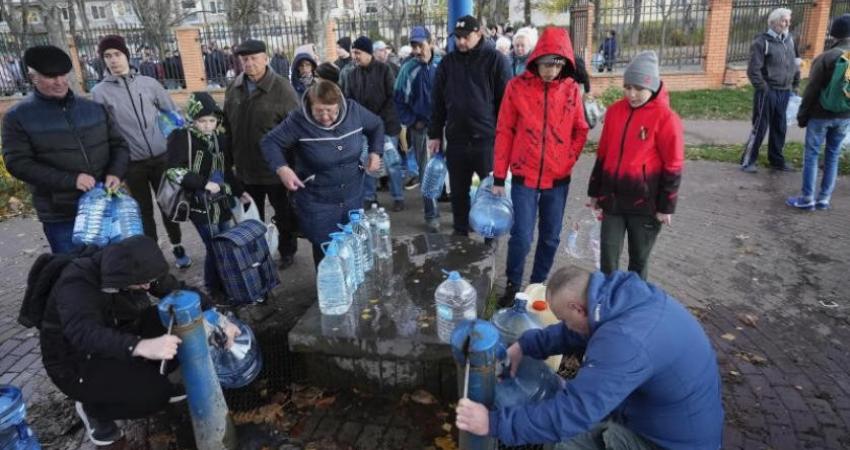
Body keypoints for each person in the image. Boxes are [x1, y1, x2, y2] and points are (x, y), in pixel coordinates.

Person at [455, 266, 724, 449]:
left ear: (578, 307)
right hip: (670, 415)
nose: (564, 325)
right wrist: (524, 346)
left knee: (569, 441)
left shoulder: (624, 342)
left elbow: (572, 414)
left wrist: (492, 423)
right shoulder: (622, 299)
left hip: (669, 442)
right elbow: (575, 332)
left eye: (564, 318)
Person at [39, 235, 239, 446]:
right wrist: (141, 346)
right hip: (75, 362)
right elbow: (84, 334)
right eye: (143, 284)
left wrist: (217, 317)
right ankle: (94, 409)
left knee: (175, 321)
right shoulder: (76, 283)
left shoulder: (135, 269)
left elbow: (176, 290)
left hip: (115, 332)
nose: (147, 288)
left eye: (149, 283)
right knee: (155, 395)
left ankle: (137, 376)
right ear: (120, 278)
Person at [493, 28, 589, 306]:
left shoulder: (571, 90)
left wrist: (567, 160)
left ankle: (536, 287)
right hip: (524, 176)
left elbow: (580, 130)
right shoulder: (516, 87)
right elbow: (504, 131)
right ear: (536, 59)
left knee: (550, 238)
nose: (550, 70)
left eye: (557, 64)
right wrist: (500, 175)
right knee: (521, 236)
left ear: (565, 63)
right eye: (546, 63)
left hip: (557, 180)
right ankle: (512, 285)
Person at [2, 45, 128, 254]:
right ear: (33, 77)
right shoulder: (17, 117)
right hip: (61, 213)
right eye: (51, 77)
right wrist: (71, 180)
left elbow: (119, 145)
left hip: (105, 205)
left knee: (118, 267)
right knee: (75, 275)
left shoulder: (93, 109)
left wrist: (116, 172)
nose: (60, 82)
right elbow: (17, 163)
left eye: (62, 75)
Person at [91, 35, 192, 269]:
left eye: (117, 54)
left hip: (161, 158)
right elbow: (103, 133)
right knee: (143, 211)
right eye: (108, 56)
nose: (113, 60)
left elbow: (172, 113)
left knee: (168, 204)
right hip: (131, 163)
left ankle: (177, 245)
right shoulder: (100, 92)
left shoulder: (149, 84)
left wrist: (179, 144)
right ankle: (153, 254)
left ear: (126, 55)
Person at [260, 80, 384, 265]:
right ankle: (328, 290)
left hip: (353, 197)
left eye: (331, 111)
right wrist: (282, 168)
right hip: (319, 202)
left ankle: (354, 287)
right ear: (310, 105)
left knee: (356, 242)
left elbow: (376, 125)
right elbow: (270, 142)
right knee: (327, 250)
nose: (326, 117)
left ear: (340, 105)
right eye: (319, 111)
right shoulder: (298, 120)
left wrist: (375, 152)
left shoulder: (354, 111)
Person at [587, 51, 683, 280]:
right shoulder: (614, 112)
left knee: (638, 261)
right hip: (613, 201)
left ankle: (634, 305)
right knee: (608, 259)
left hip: (645, 205)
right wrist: (594, 193)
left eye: (639, 88)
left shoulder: (666, 118)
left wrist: (666, 206)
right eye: (628, 87)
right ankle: (608, 303)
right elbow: (603, 154)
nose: (632, 94)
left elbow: (674, 164)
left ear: (653, 86)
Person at [428, 15, 512, 236]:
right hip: (456, 141)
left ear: (479, 34)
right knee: (458, 193)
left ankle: (489, 238)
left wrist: (505, 140)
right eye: (457, 37)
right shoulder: (448, 63)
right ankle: (460, 236)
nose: (461, 42)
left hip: (486, 141)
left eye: (466, 37)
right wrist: (435, 134)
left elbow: (506, 105)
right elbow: (437, 102)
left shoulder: (496, 61)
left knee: (490, 193)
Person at [224, 39, 301, 269]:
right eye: (244, 59)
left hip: (275, 169)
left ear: (265, 59)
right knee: (251, 217)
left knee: (283, 213)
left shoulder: (282, 88)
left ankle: (287, 251)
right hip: (245, 169)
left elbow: (296, 129)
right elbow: (227, 126)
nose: (249, 64)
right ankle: (258, 253)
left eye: (254, 58)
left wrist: (292, 167)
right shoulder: (234, 87)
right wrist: (229, 163)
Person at [166, 92, 250, 298]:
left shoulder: (220, 138)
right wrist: (203, 183)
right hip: (198, 202)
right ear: (193, 119)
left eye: (212, 120)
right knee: (213, 246)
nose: (207, 125)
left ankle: (223, 283)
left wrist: (240, 192)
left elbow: (227, 170)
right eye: (202, 121)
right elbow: (173, 170)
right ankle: (213, 288)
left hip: (222, 201)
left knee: (224, 242)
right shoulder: (181, 137)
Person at [787, 14, 850, 211]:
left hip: (820, 115)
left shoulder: (825, 57)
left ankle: (807, 198)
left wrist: (802, 116)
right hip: (844, 116)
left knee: (812, 155)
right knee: (833, 154)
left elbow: (812, 89)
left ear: (834, 34)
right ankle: (824, 198)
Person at [344, 35, 406, 211]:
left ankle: (398, 196)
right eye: (353, 52)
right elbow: (350, 100)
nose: (355, 56)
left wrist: (377, 120)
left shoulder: (384, 70)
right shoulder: (352, 74)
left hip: (386, 125)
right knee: (367, 161)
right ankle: (370, 197)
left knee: (392, 161)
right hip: (364, 128)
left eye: (358, 52)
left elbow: (391, 97)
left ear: (368, 53)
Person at [395, 26, 443, 232]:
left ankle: (459, 210)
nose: (417, 50)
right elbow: (398, 99)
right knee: (427, 172)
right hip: (422, 129)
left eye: (420, 45)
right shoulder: (408, 69)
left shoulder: (443, 64)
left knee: (455, 170)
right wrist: (413, 121)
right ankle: (431, 214)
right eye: (413, 46)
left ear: (430, 43)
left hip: (447, 126)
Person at [741, 7, 800, 173]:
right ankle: (748, 161)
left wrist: (795, 84)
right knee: (760, 126)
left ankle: (776, 160)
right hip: (768, 91)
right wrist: (763, 87)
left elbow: (795, 63)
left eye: (788, 20)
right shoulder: (762, 42)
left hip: (785, 91)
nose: (787, 23)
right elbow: (753, 70)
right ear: (773, 22)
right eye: (783, 20)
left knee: (780, 127)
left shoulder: (790, 40)